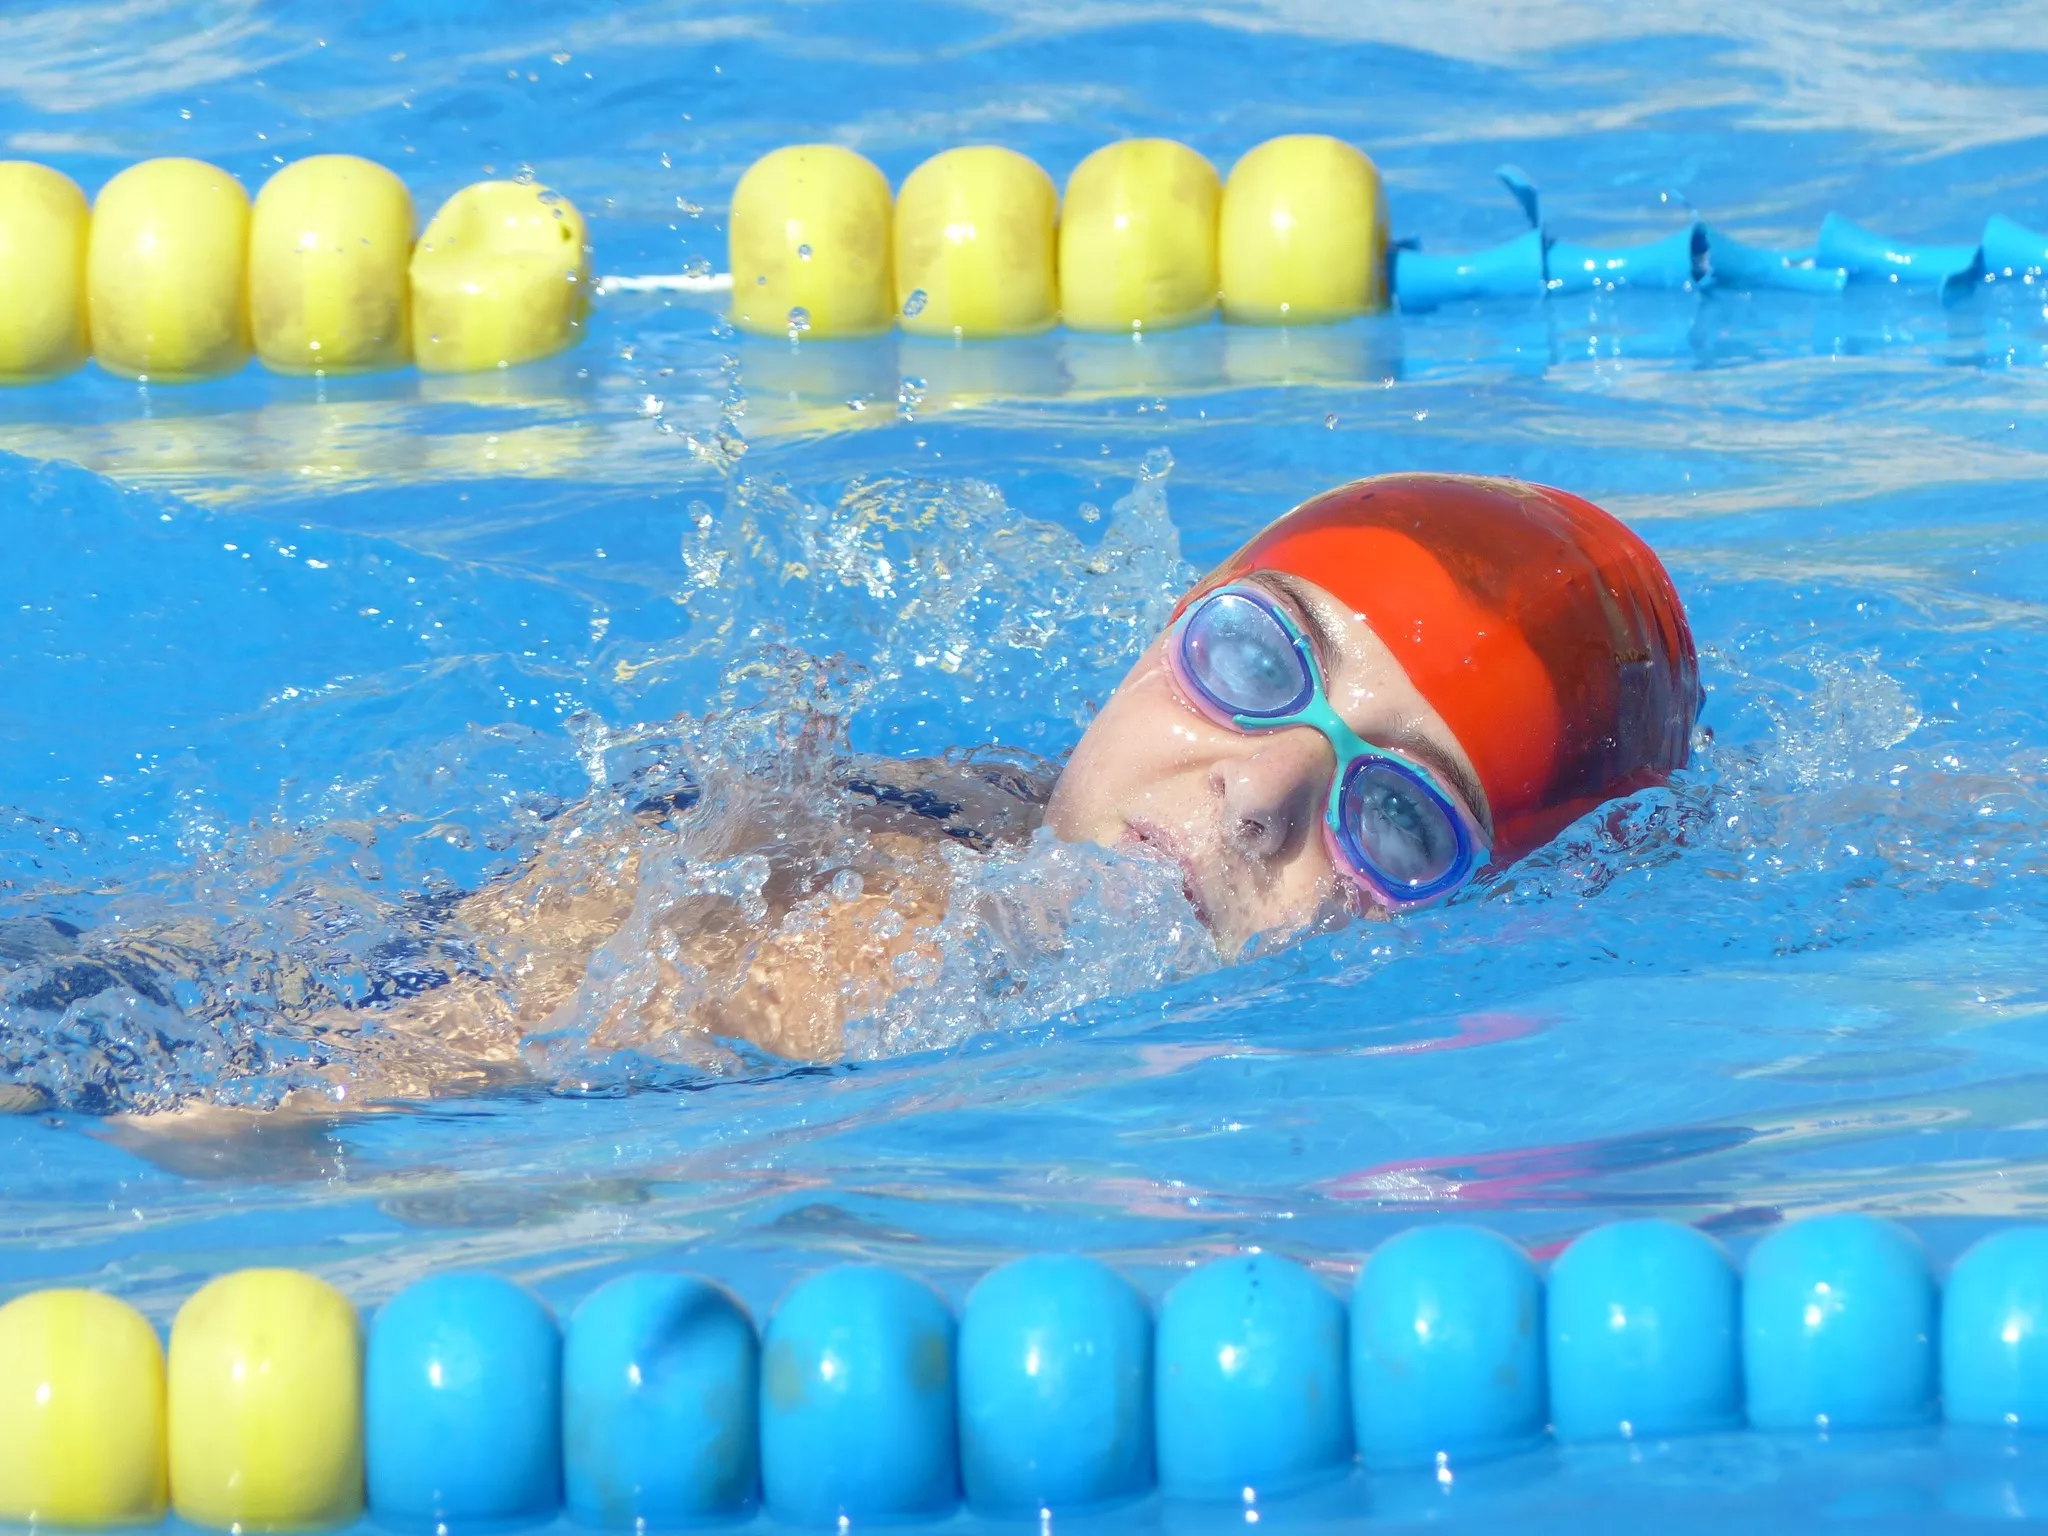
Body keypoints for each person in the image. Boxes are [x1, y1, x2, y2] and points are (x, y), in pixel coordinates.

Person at [26, 471, 1696, 1123]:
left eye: (1400, 821)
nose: (1250, 789)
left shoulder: (995, 840)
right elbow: (319, 1100)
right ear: (1157, 627)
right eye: (1258, 664)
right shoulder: (909, 953)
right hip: (227, 1015)